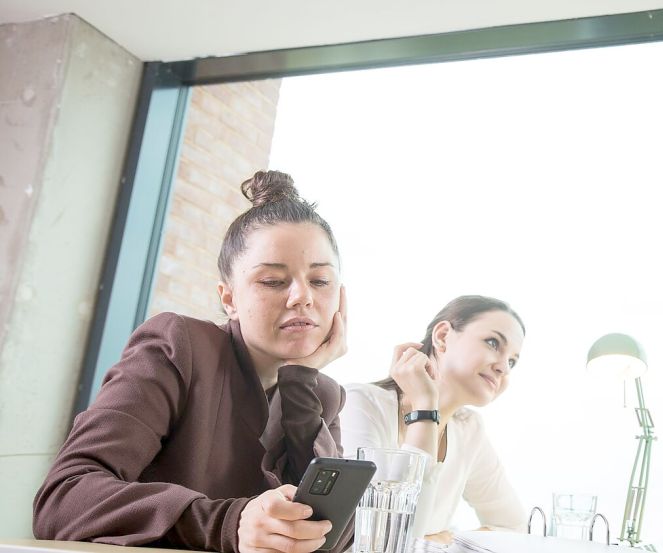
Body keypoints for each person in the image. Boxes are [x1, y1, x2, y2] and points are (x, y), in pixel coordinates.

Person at [34, 171, 352, 553]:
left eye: (320, 282)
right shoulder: (178, 346)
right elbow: (63, 500)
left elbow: (336, 535)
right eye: (272, 281)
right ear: (229, 298)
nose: (302, 297)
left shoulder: (323, 394)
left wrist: (301, 381)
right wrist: (228, 524)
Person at [340, 296, 527, 540]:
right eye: (492, 343)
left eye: (512, 361)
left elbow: (513, 526)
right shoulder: (361, 403)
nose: (504, 367)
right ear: (442, 336)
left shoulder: (468, 429)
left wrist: (444, 541)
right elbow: (388, 539)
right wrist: (425, 407)